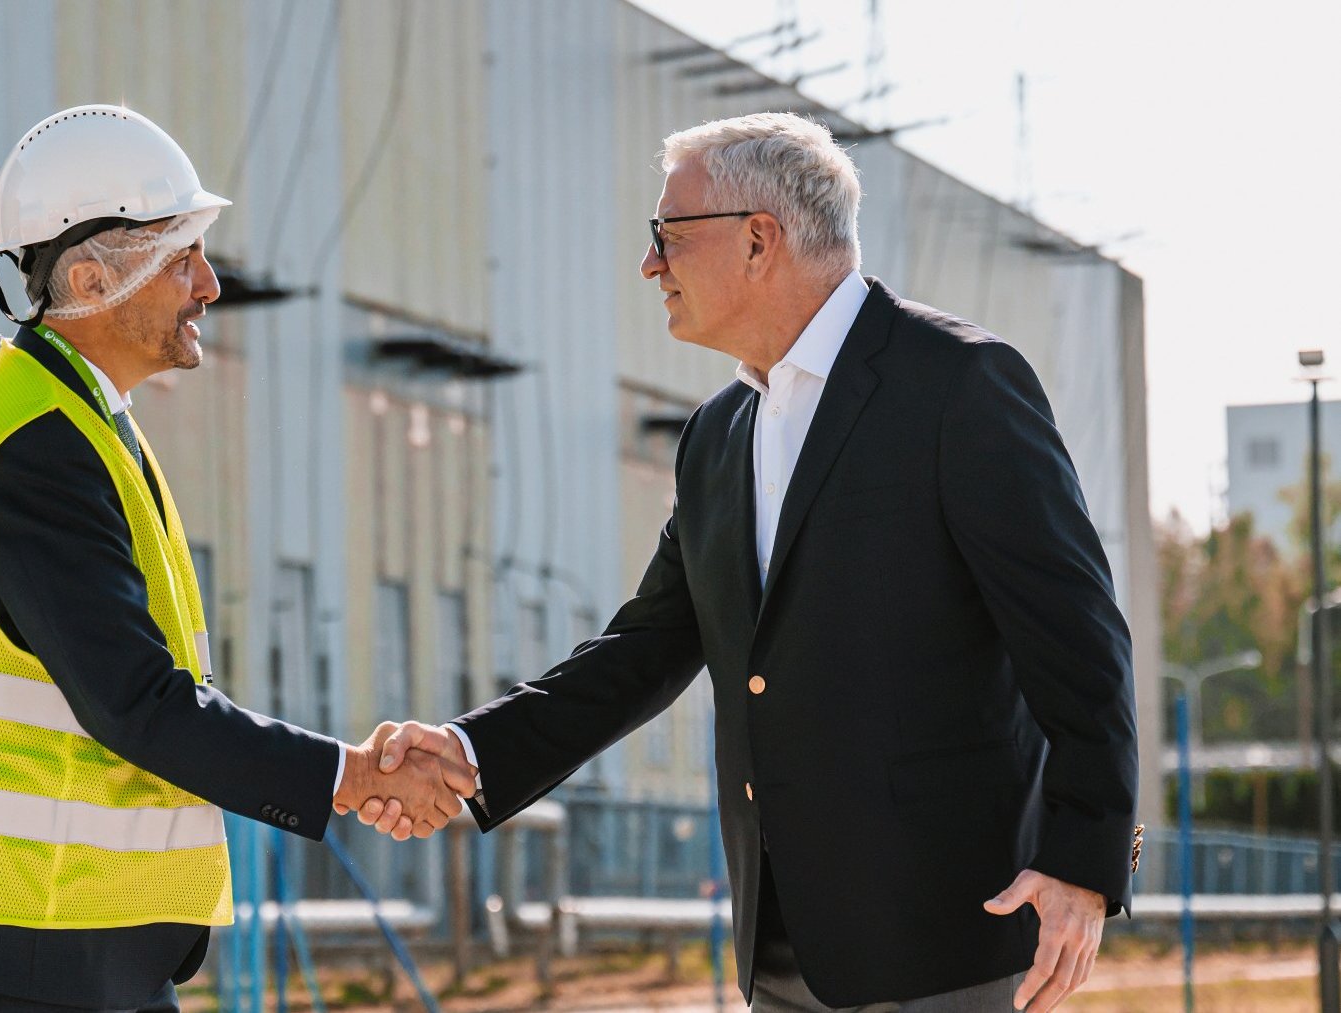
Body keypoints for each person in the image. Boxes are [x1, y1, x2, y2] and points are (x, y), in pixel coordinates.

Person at [357, 113, 1140, 1013]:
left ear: (759, 239)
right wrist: (465, 749)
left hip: (943, 940)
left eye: (668, 235)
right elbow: (643, 649)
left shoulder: (959, 384)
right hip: (779, 943)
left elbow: (1079, 643)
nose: (651, 264)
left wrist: (1083, 863)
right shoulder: (718, 434)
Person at [0, 104, 474, 1013]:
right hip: (30, 941)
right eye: (181, 255)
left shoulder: (80, 424)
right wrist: (348, 774)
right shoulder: (38, 447)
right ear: (89, 276)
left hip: (62, 938)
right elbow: (138, 702)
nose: (209, 285)